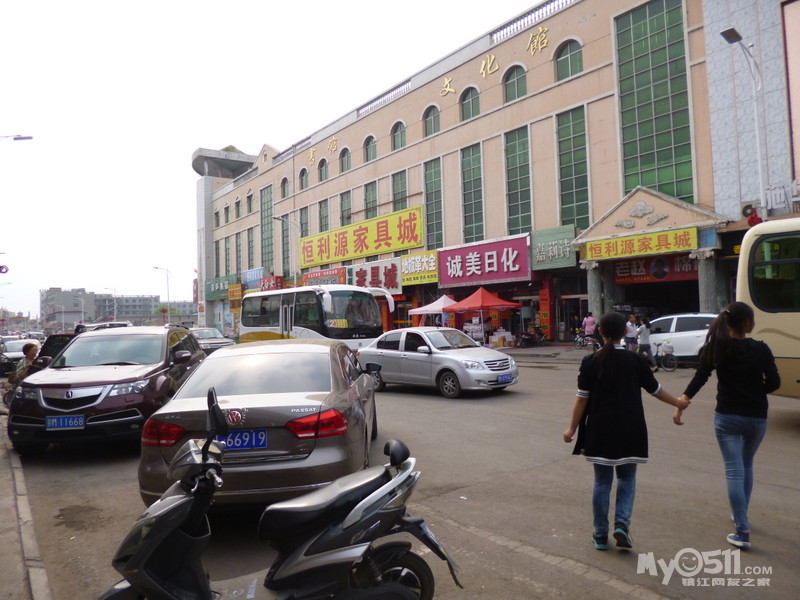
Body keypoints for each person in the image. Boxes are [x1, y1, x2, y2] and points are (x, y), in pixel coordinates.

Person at [563, 311, 689, 551]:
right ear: (625, 332)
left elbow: (581, 399)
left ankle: (600, 535)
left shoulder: (590, 362)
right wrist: (678, 403)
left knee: (601, 482)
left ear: (599, 332)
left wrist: (571, 428)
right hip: (631, 429)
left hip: (599, 430)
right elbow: (657, 390)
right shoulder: (636, 360)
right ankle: (622, 525)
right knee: (627, 478)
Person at [676, 302, 779, 550]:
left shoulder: (717, 348)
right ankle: (740, 514)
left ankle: (742, 529)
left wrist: (682, 403)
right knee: (746, 465)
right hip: (756, 417)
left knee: (734, 470)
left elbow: (701, 376)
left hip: (727, 417)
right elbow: (774, 383)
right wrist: (755, 391)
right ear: (746, 323)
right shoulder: (761, 349)